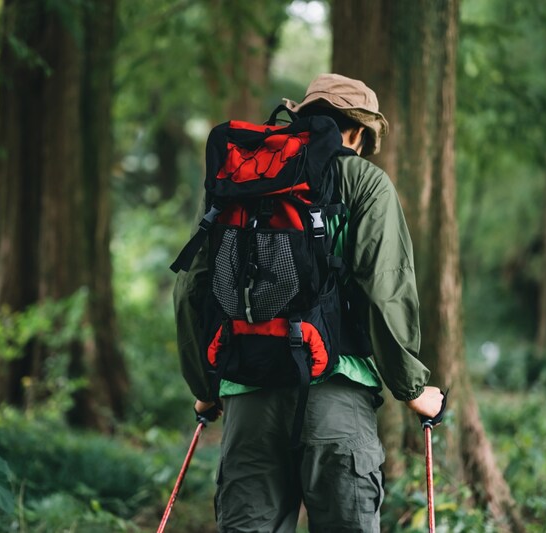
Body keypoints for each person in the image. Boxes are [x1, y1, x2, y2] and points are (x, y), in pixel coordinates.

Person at [173, 73, 445, 533]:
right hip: (335, 395)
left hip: (248, 397)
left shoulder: (246, 177)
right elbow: (384, 287)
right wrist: (413, 389)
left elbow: (191, 287)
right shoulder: (363, 180)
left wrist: (204, 386)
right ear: (359, 131)